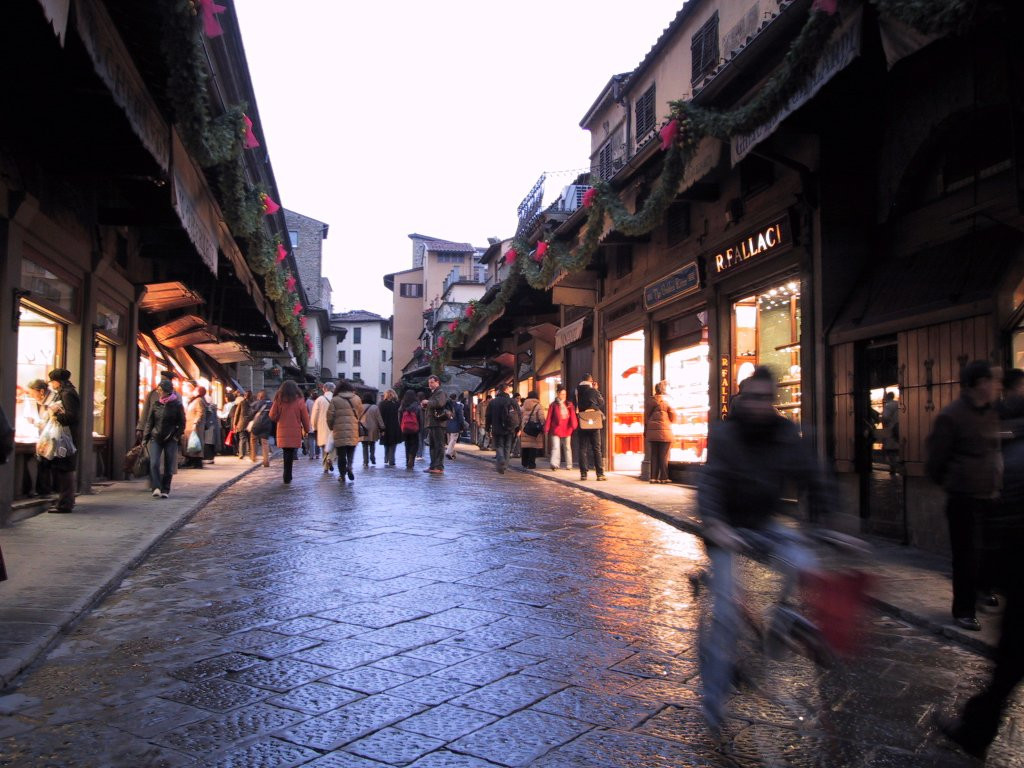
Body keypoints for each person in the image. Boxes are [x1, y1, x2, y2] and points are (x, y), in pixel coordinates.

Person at [698, 366, 832, 731]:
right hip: (726, 524)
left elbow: (812, 475)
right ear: (742, 398)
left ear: (774, 400)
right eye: (753, 397)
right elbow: (710, 481)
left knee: (807, 563)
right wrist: (715, 524)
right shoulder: (725, 434)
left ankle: (783, 621)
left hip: (764, 521)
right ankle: (713, 697)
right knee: (725, 614)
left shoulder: (786, 432)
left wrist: (832, 526)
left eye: (766, 398)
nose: (760, 405)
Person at [937, 381, 1024, 759]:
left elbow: (1001, 523)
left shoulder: (1011, 456)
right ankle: (976, 729)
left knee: (1011, 662)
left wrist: (991, 577)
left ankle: (976, 730)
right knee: (1010, 663)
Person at [926, 360, 1001, 632]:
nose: (994, 386)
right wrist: (953, 481)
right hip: (962, 495)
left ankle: (983, 590)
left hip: (989, 493)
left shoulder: (991, 413)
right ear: (976, 384)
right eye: (989, 381)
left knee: (989, 548)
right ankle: (964, 610)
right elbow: (936, 459)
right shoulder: (952, 416)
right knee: (966, 554)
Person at [43, 368, 81, 514]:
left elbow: (72, 416)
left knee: (65, 469)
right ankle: (65, 501)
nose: (51, 384)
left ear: (57, 382)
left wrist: (55, 414)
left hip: (67, 436)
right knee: (64, 468)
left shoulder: (67, 394)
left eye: (52, 381)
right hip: (67, 435)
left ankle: (65, 504)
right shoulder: (67, 392)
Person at [143, 378, 185, 498]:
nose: (158, 391)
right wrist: (145, 438)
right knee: (154, 463)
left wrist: (176, 436)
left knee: (169, 465)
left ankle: (165, 490)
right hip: (156, 437)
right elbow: (149, 422)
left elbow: (182, 422)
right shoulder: (156, 404)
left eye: (160, 389)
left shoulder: (177, 405)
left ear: (166, 390)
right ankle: (156, 487)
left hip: (170, 438)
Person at [269, 380, 312, 484]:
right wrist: (307, 429)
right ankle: (288, 474)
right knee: (290, 453)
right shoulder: (300, 400)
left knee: (286, 453)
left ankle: (286, 474)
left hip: (282, 430)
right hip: (294, 431)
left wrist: (279, 419)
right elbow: (305, 418)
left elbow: (272, 415)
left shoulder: (278, 400)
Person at [327, 380, 363, 483]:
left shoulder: (335, 400)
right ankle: (350, 467)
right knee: (351, 452)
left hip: (339, 431)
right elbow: (360, 413)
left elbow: (330, 416)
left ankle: (342, 475)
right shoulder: (357, 399)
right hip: (353, 430)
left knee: (341, 455)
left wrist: (331, 427)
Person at [575, 373, 606, 481]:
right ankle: (600, 474)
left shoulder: (576, 390)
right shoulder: (593, 390)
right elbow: (601, 402)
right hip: (594, 421)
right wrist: (596, 389)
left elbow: (575, 405)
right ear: (591, 380)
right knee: (596, 448)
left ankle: (583, 474)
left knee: (582, 448)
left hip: (582, 421)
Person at [485, 382, 520, 474]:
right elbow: (519, 415)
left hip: (497, 428)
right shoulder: (512, 401)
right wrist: (518, 428)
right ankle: (505, 465)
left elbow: (488, 416)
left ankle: (500, 459)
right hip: (510, 428)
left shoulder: (493, 402)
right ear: (506, 390)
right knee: (507, 446)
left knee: (499, 445)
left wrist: (487, 427)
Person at [646, 380, 676, 484]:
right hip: (665, 432)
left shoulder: (650, 401)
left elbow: (646, 416)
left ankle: (653, 477)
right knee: (664, 455)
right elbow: (673, 417)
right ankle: (664, 477)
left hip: (652, 432)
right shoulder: (667, 401)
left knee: (654, 454)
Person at [138, 370, 176, 444]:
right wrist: (140, 428)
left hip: (169, 434)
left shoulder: (176, 396)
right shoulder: (152, 394)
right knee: (153, 454)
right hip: (153, 432)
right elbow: (145, 412)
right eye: (161, 380)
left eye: (164, 380)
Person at [544, 386, 577, 471]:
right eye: (562, 394)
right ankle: (555, 464)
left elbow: (573, 416)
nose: (564, 395)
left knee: (567, 447)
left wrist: (574, 425)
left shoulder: (569, 404)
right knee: (556, 447)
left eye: (565, 394)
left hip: (567, 428)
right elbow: (549, 417)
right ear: (558, 394)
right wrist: (546, 428)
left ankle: (569, 465)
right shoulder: (553, 405)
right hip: (556, 429)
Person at [421, 375, 449, 475]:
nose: (430, 385)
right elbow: (433, 405)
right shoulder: (434, 393)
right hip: (433, 423)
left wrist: (427, 402)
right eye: (429, 383)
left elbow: (439, 403)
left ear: (437, 382)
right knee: (432, 446)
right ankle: (433, 465)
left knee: (439, 445)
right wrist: (425, 406)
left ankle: (439, 466)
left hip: (438, 423)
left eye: (432, 382)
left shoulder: (440, 392)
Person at [310, 382, 335, 473]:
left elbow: (314, 415)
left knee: (324, 447)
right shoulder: (336, 399)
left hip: (322, 427)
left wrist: (314, 427)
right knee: (333, 446)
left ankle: (325, 467)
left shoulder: (319, 399)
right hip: (333, 427)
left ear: (324, 389)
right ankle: (330, 459)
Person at [182, 385, 207, 469]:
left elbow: (200, 412)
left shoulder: (199, 400)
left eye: (195, 390)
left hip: (194, 426)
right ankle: (190, 460)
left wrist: (195, 422)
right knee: (190, 444)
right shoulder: (194, 400)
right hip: (189, 425)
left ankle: (196, 462)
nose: (193, 391)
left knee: (195, 443)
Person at [519, 390, 545, 469]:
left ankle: (524, 463)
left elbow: (521, 416)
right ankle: (531, 464)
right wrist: (543, 425)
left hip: (525, 428)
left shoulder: (523, 405)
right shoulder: (538, 406)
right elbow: (541, 418)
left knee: (525, 446)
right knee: (533, 447)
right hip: (534, 429)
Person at [398, 389, 423, 470]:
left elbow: (399, 417)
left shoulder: (403, 405)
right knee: (415, 444)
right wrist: (420, 427)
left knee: (407, 445)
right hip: (415, 428)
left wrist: (401, 426)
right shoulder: (417, 405)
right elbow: (420, 417)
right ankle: (412, 457)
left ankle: (407, 461)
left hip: (405, 428)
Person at [359, 393, 385, 467]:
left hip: (363, 428)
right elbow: (379, 419)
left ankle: (365, 461)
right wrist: (382, 428)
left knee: (364, 445)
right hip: (373, 428)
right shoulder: (375, 407)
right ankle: (372, 457)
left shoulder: (359, 407)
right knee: (372, 444)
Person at [249, 390, 273, 466]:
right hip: (267, 424)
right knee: (265, 443)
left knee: (253, 439)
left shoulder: (257, 403)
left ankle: (253, 457)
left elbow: (251, 413)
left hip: (257, 424)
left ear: (260, 396)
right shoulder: (271, 404)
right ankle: (266, 461)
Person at [378, 388, 401, 467]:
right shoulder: (397, 404)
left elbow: (380, 416)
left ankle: (386, 458)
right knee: (393, 444)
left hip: (385, 426)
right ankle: (392, 460)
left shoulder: (382, 404)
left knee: (386, 443)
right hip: (395, 426)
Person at [879, 390, 900, 475]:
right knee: (897, 450)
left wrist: (880, 420)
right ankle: (896, 466)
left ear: (888, 397)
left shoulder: (888, 406)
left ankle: (893, 468)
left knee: (891, 451)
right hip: (899, 430)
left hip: (891, 431)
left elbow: (885, 418)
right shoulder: (898, 404)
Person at [231, 390, 252, 460]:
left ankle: (241, 453)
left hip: (242, 423)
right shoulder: (253, 403)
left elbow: (237, 414)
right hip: (250, 424)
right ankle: (249, 453)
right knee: (249, 439)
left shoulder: (242, 403)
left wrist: (235, 424)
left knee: (242, 439)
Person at [445, 393, 467, 460]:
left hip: (447, 425)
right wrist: (462, 426)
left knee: (450, 441)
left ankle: (453, 454)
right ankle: (448, 452)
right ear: (456, 398)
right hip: (455, 425)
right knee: (453, 440)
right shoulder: (458, 406)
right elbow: (460, 418)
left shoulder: (447, 405)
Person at [304, 389, 317, 459]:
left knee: (311, 439)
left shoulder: (308, 401)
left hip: (310, 421)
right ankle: (317, 454)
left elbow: (305, 411)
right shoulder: (319, 400)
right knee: (318, 439)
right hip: (318, 422)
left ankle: (311, 454)